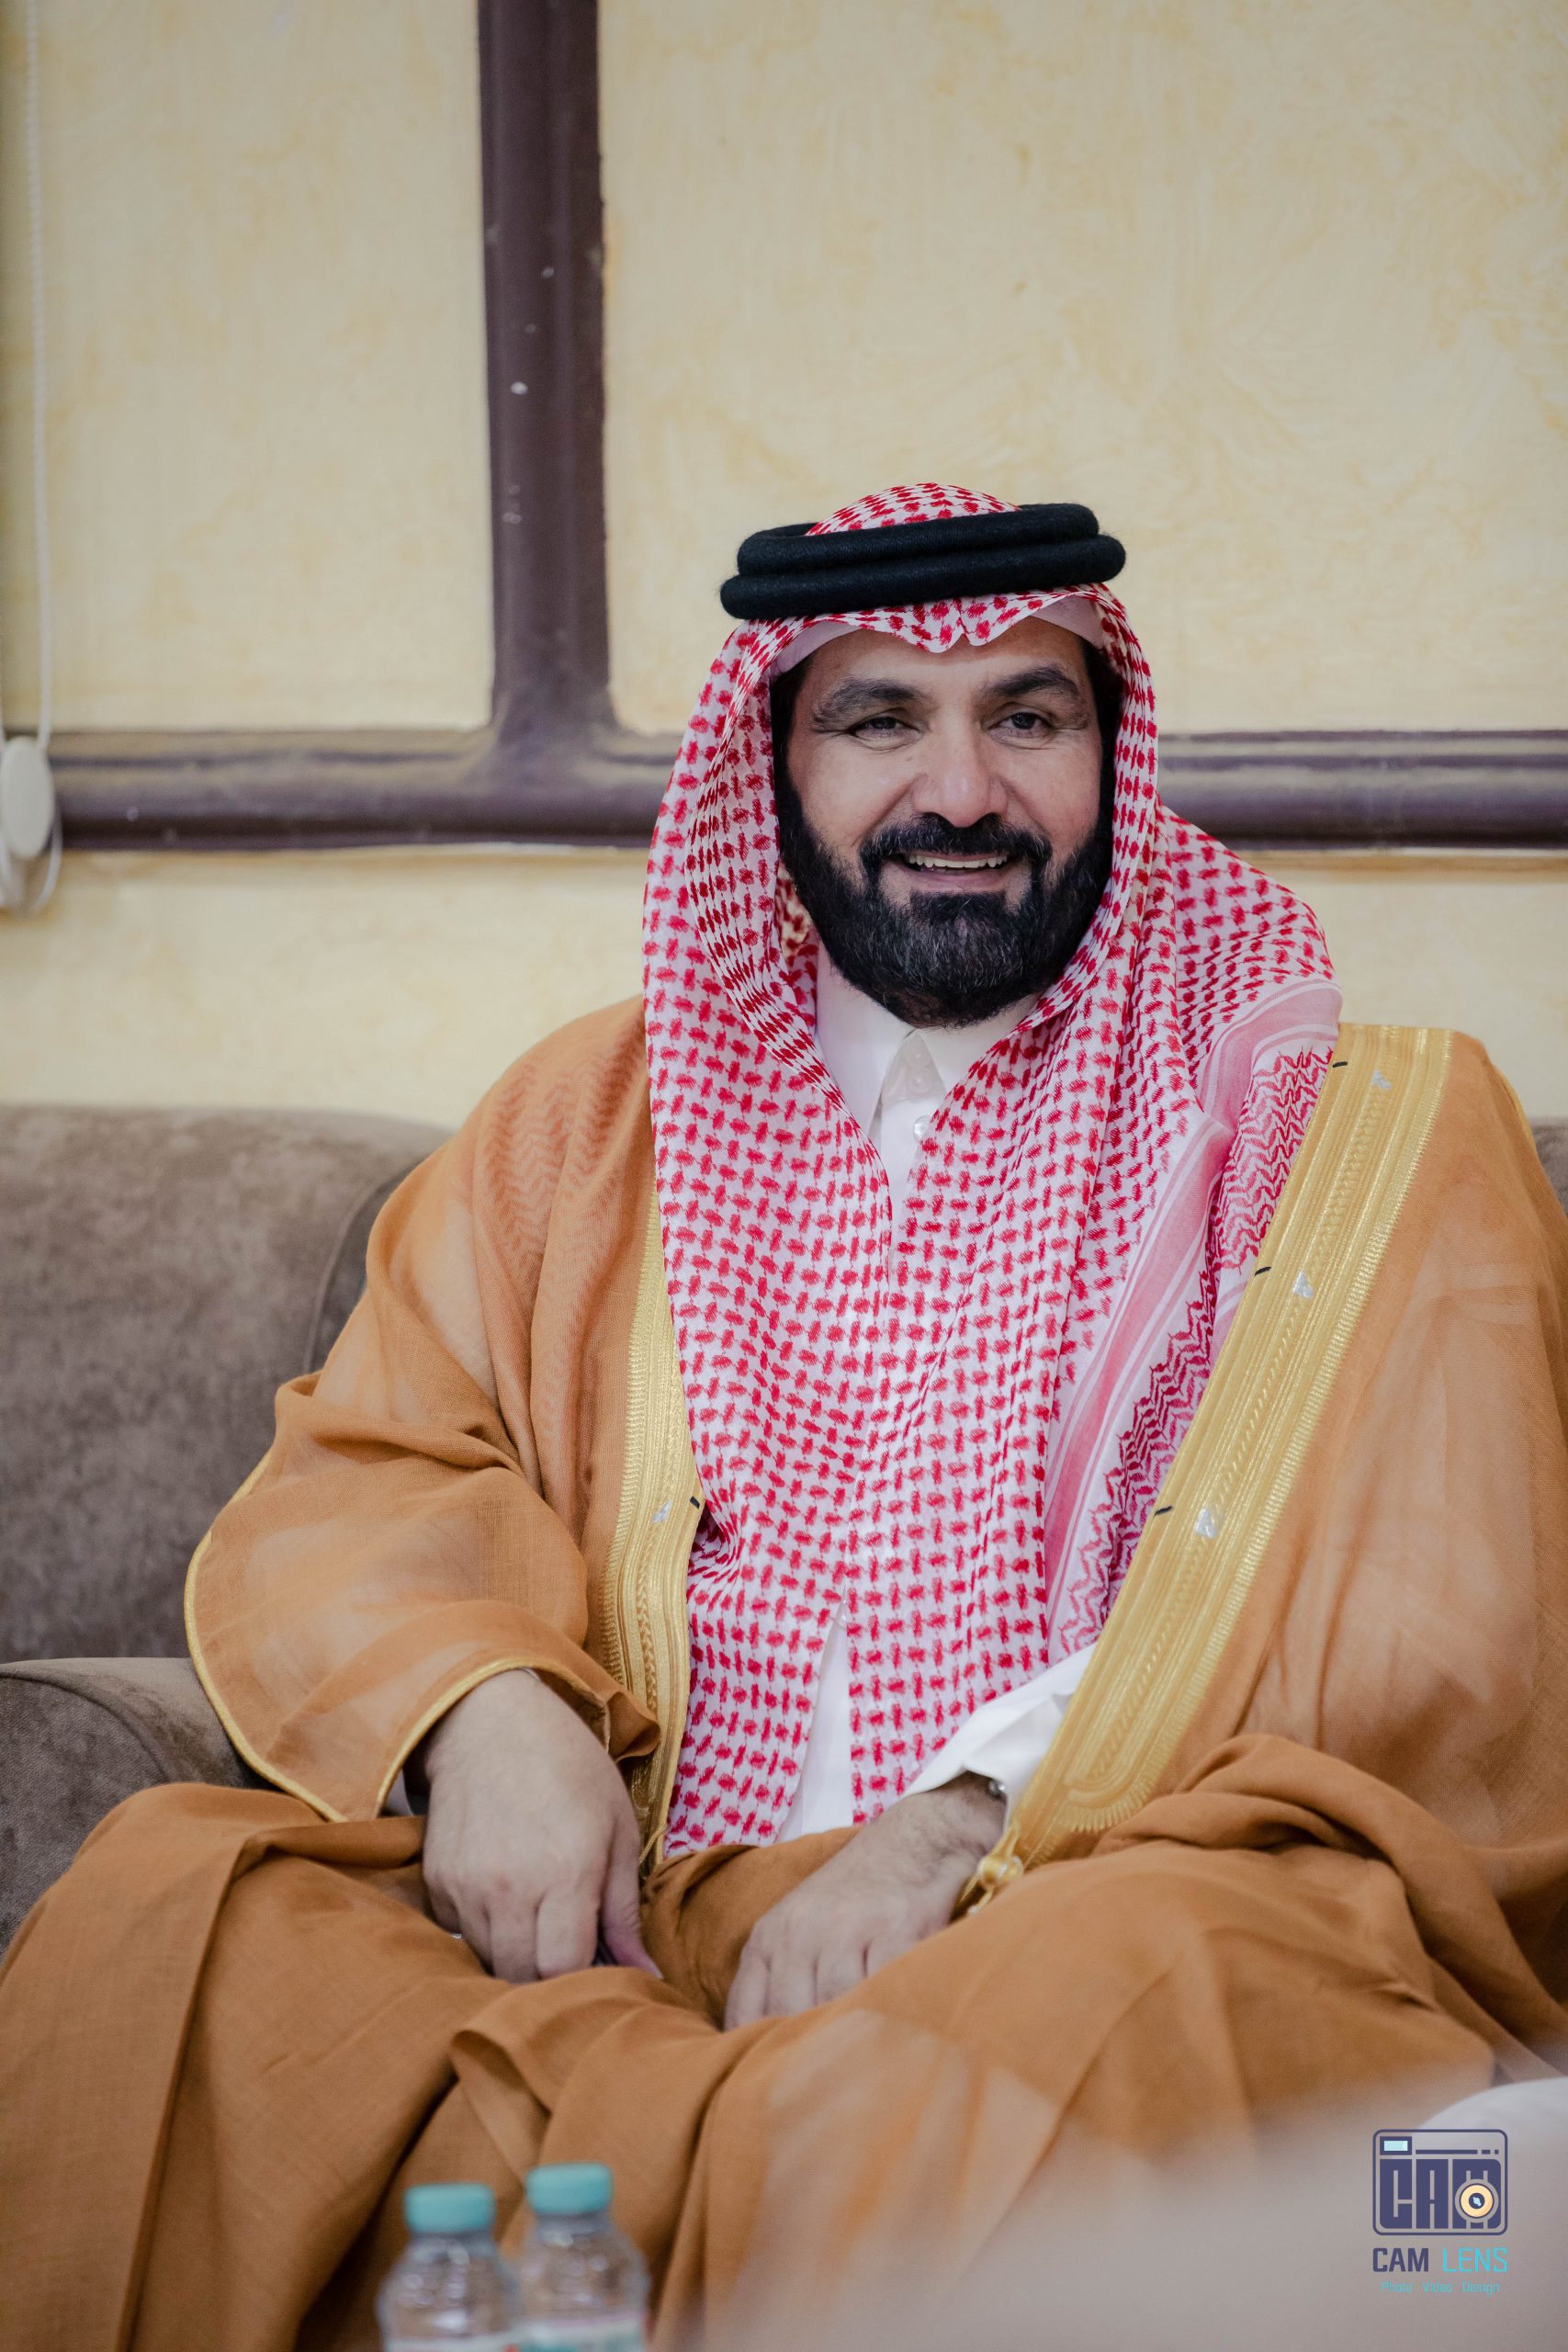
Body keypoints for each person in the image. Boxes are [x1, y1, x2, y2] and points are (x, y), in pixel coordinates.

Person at [2, 485, 1565, 2350]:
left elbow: (1420, 1619)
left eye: (1027, 714)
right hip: (641, 1906)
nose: (963, 790)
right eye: (880, 718)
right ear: (774, 761)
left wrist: (951, 1829)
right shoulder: (591, 1123)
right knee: (180, 1908)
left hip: (1088, 1889)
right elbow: (378, 1457)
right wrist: (485, 1711)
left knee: (1165, 1985)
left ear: (1110, 746)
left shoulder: (1359, 1125)